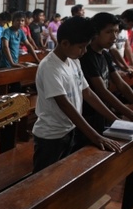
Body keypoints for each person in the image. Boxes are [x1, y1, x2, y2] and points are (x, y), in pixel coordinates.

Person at [31, 16, 121, 172]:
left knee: (61, 175)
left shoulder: (74, 61)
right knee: (42, 180)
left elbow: (88, 94)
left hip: (70, 129)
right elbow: (65, 105)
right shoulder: (49, 67)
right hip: (51, 135)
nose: (84, 51)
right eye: (81, 47)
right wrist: (95, 136)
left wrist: (116, 120)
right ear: (65, 43)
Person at [74, 12, 133, 150]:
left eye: (116, 32)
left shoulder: (105, 54)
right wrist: (131, 116)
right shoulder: (87, 56)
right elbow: (101, 91)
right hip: (86, 114)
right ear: (95, 32)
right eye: (109, 32)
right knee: (85, 152)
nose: (114, 37)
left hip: (100, 112)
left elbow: (122, 85)